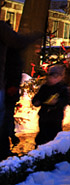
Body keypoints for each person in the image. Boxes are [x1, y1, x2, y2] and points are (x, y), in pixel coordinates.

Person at [0, 20, 41, 158]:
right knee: (4, 120)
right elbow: (15, 66)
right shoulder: (11, 48)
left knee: (5, 119)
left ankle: (5, 147)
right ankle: (4, 149)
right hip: (6, 87)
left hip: (6, 87)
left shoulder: (10, 50)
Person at [31, 64, 70, 146]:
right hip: (44, 116)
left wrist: (57, 102)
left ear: (61, 77)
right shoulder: (45, 87)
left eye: (56, 76)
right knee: (43, 134)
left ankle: (54, 151)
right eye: (52, 76)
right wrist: (36, 102)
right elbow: (37, 98)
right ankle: (40, 149)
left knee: (54, 136)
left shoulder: (62, 88)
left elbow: (66, 100)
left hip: (56, 116)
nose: (53, 79)